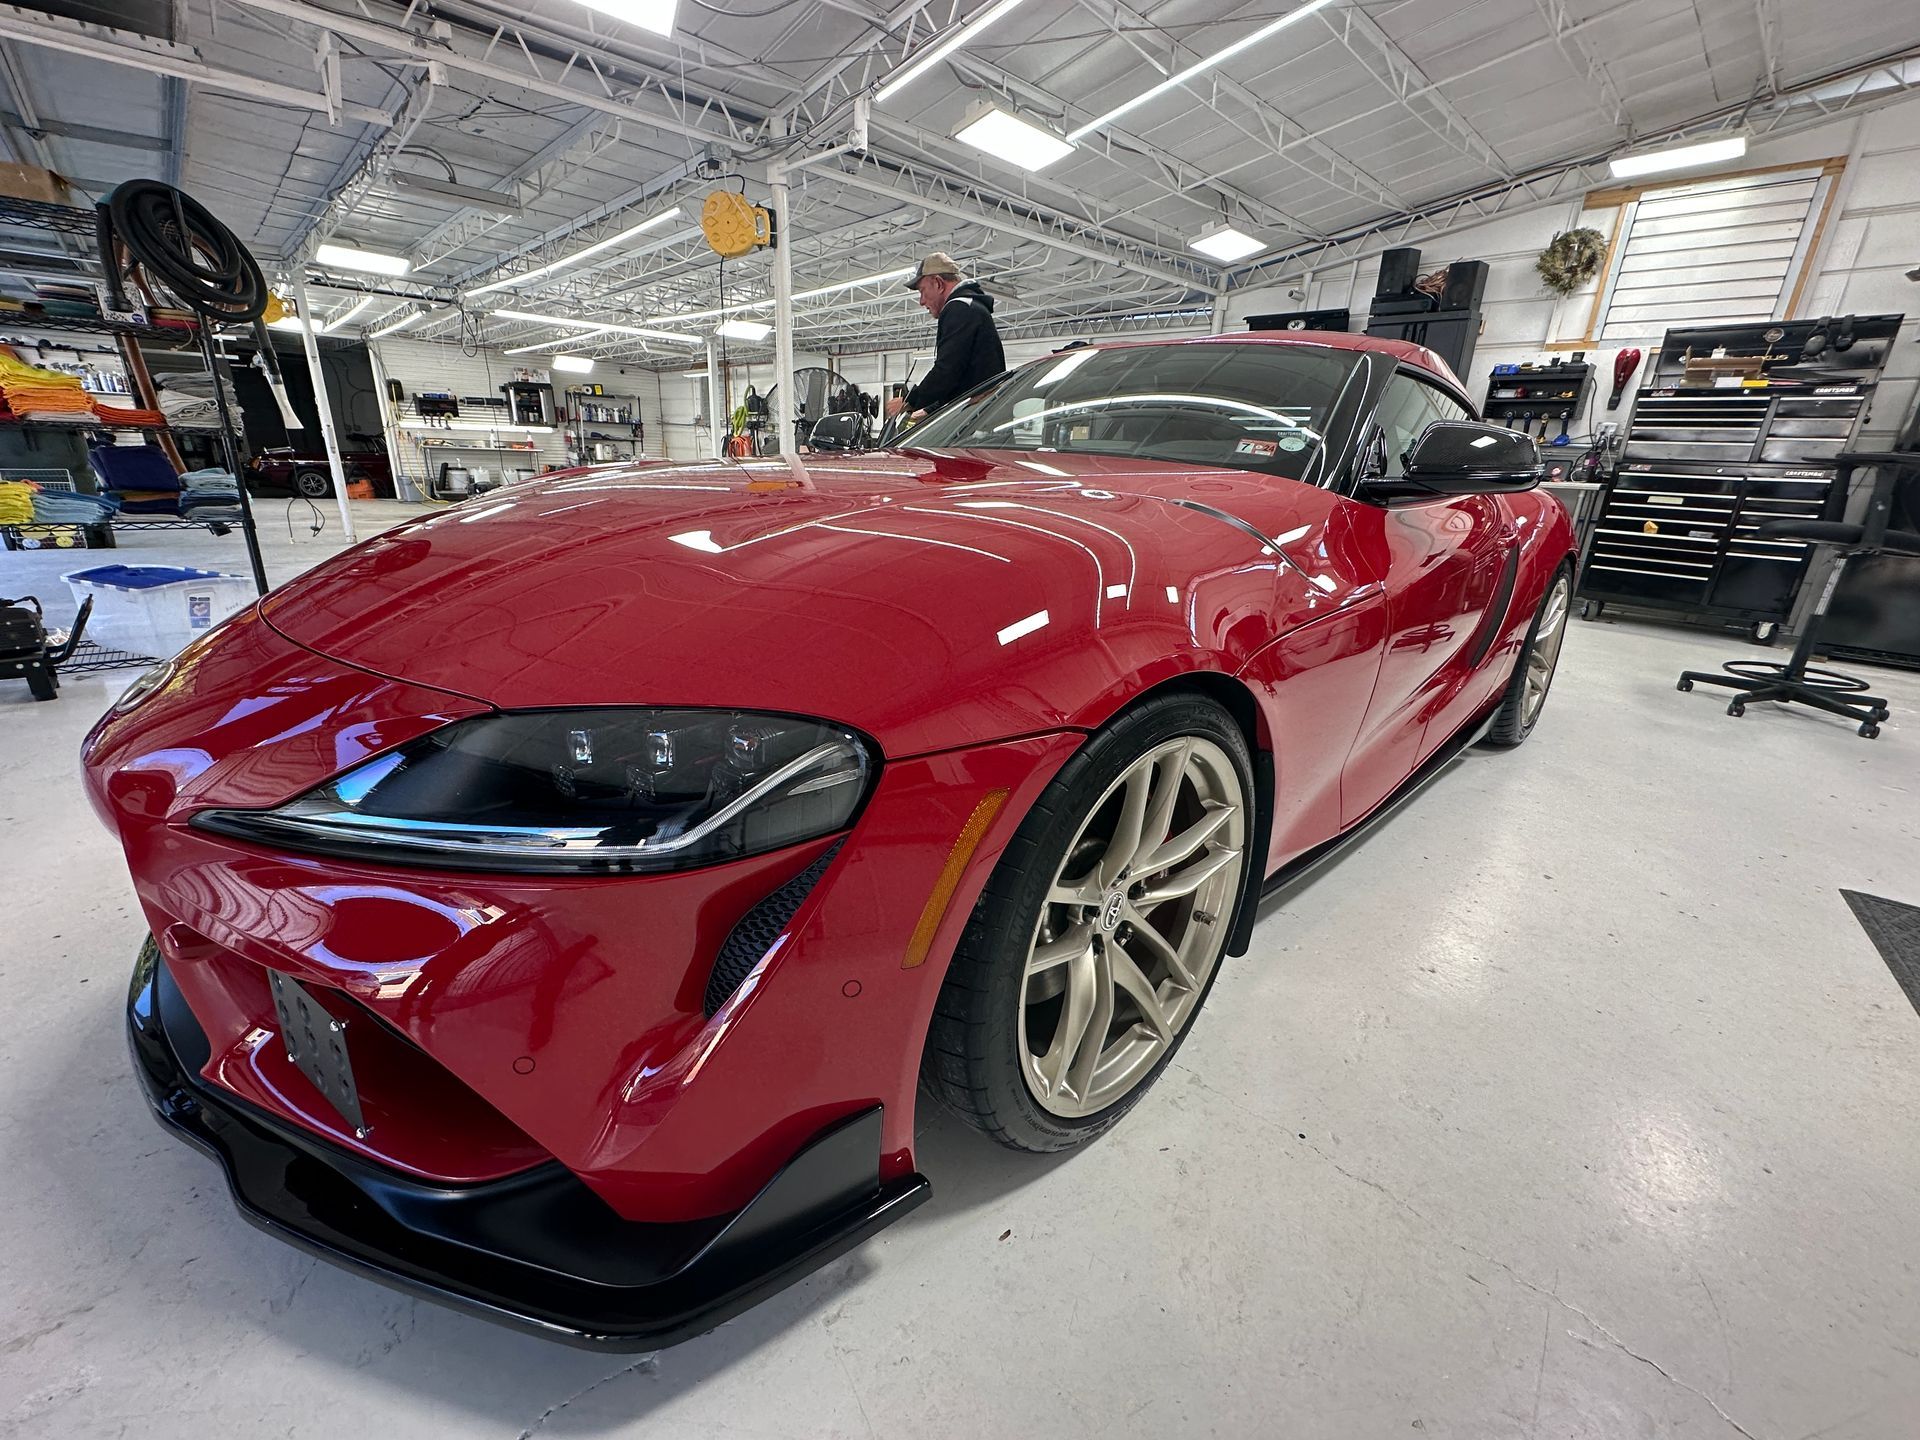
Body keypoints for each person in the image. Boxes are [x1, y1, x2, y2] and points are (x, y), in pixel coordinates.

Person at [885, 253, 1005, 422]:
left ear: (938, 283)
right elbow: (964, 379)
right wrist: (929, 409)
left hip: (976, 423)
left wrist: (909, 401)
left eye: (922, 291)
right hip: (983, 415)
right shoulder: (971, 307)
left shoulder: (960, 308)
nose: (921, 301)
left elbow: (947, 369)